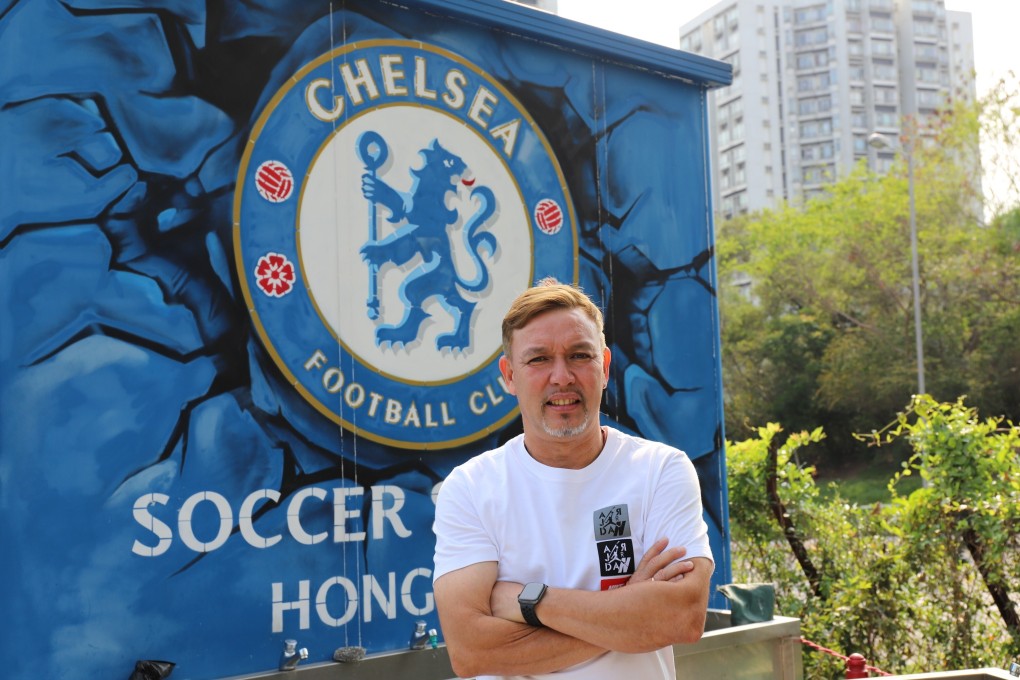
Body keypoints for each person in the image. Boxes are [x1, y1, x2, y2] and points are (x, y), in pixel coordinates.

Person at [433, 281, 714, 679]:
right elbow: (471, 651)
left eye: (579, 355)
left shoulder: (660, 470)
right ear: (509, 376)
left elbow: (682, 617)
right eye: (539, 359)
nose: (561, 377)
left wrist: (530, 601)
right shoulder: (470, 488)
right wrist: (631, 615)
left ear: (604, 367)